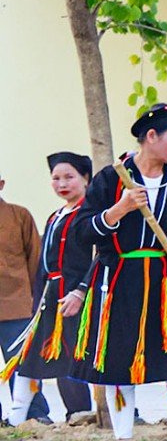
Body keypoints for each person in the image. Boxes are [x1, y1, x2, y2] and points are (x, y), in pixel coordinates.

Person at [70, 103, 167, 441]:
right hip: (119, 283)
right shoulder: (110, 179)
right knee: (119, 368)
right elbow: (83, 232)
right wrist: (118, 210)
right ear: (152, 137)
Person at [3, 155, 95, 426]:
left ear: (86, 179)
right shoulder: (56, 216)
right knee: (30, 356)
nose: (61, 184)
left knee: (72, 357)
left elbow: (99, 257)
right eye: (56, 178)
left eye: (69, 177)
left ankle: (80, 414)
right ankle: (17, 417)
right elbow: (44, 260)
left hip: (77, 295)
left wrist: (81, 290)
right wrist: (39, 297)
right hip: (50, 295)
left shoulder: (89, 215)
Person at [0, 173, 37, 421]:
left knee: (23, 363)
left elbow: (34, 258)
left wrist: (32, 297)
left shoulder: (19, 215)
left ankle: (34, 414)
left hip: (16, 303)